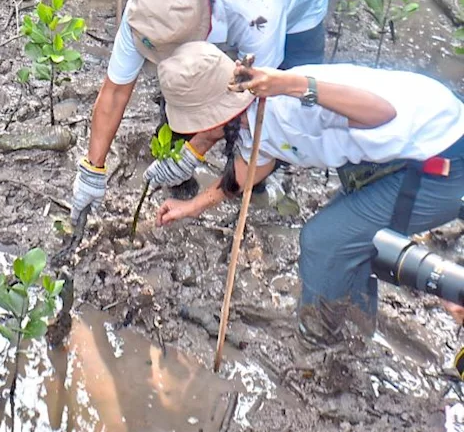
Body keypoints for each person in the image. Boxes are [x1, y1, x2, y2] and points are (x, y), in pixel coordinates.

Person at [154, 41, 464, 341]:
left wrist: (294, 84)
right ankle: (355, 326)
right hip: (401, 157)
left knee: (324, 241)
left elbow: (381, 113)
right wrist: (193, 206)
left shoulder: (287, 103)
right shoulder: (248, 121)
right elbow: (246, 174)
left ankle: (321, 338)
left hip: (442, 158)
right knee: (348, 240)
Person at [69, 0, 329, 219]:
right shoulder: (147, 10)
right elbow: (115, 91)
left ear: (203, 35)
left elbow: (250, 102)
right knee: (187, 90)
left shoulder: (258, 17)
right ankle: (185, 183)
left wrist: (195, 150)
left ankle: (251, 186)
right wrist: (92, 168)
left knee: (279, 115)